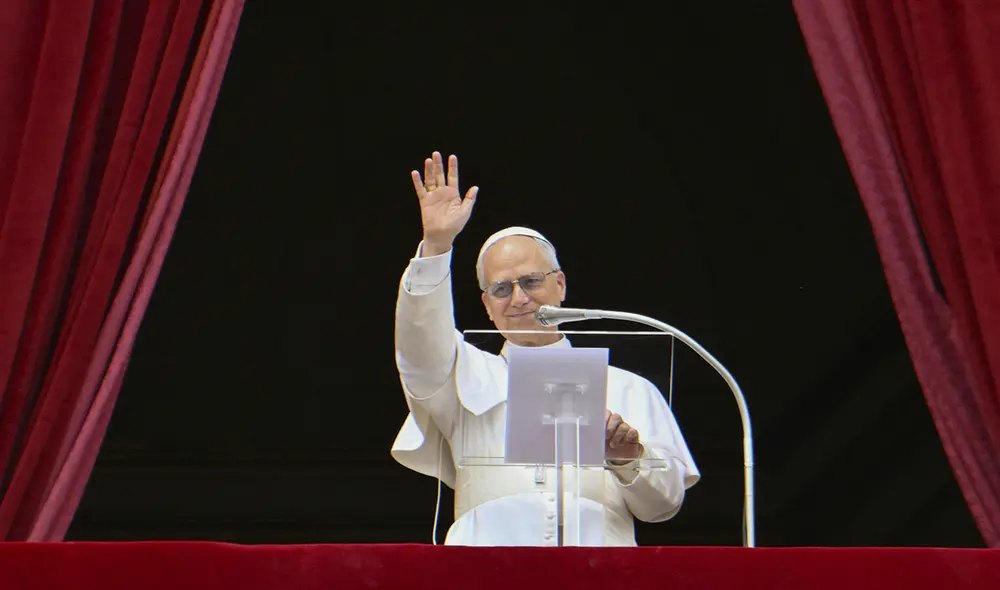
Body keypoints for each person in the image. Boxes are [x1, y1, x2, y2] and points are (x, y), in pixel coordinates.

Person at [390, 151, 699, 546]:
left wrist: (627, 457)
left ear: (561, 285)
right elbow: (418, 342)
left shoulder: (628, 388)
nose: (518, 299)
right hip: (486, 567)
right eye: (501, 289)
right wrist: (436, 246)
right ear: (486, 306)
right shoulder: (461, 374)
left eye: (531, 281)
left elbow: (663, 506)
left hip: (600, 566)